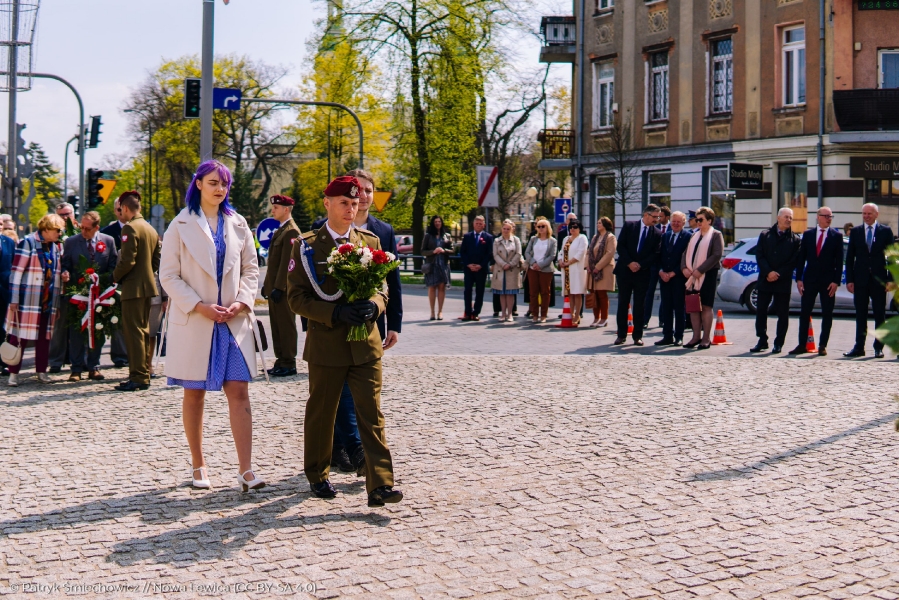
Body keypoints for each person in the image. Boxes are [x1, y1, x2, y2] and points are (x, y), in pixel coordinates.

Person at [286, 175, 402, 508]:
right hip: (327, 344)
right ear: (327, 203)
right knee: (322, 413)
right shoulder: (307, 246)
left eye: (354, 202)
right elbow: (296, 298)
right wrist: (334, 313)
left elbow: (383, 288)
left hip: (365, 344)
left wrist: (375, 306)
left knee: (372, 414)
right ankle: (318, 474)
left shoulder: (369, 241)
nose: (352, 208)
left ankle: (380, 484)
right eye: (344, 203)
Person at [160, 159, 264, 491]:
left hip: (232, 321)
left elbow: (251, 269)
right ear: (199, 184)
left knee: (239, 391)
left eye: (224, 183)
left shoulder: (239, 223)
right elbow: (168, 276)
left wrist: (242, 301)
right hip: (197, 319)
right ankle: (198, 464)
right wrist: (199, 306)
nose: (220, 189)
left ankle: (246, 470)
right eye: (213, 182)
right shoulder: (179, 224)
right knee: (194, 393)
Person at [6, 214, 68, 386]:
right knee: (19, 337)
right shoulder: (28, 243)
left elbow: (55, 273)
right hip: (27, 299)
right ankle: (13, 373)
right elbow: (16, 272)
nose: (60, 233)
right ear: (46, 229)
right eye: (57, 230)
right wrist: (14, 299)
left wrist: (62, 282)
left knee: (44, 338)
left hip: (47, 301)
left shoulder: (55, 247)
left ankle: (41, 371)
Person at [112, 191, 162, 391]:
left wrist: (114, 277)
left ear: (124, 208)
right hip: (147, 286)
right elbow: (157, 260)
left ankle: (138, 377)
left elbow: (127, 260)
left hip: (133, 288)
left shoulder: (130, 228)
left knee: (133, 333)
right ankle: (143, 374)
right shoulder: (150, 228)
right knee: (143, 332)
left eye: (120, 209)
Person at [61, 211, 118, 381]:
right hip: (78, 294)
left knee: (97, 329)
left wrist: (105, 282)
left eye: (87, 229)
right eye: (82, 227)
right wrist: (65, 273)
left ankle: (94, 367)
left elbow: (113, 265)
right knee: (77, 331)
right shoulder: (71, 242)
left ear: (96, 228)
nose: (83, 231)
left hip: (99, 294)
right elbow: (65, 264)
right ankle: (76, 369)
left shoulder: (108, 241)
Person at [789, 207, 843, 356]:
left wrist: (836, 281)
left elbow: (839, 261)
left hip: (828, 282)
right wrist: (799, 278)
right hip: (810, 280)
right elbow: (801, 258)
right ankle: (802, 344)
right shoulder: (808, 235)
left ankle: (822, 345)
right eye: (826, 216)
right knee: (805, 312)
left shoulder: (836, 236)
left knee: (827, 313)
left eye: (830, 216)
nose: (829, 219)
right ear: (818, 217)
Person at [844, 203, 895, 358]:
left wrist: (890, 279)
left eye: (869, 213)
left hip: (879, 280)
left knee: (880, 314)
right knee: (861, 314)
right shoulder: (856, 232)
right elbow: (850, 258)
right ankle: (859, 346)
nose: (866, 216)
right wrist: (850, 279)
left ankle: (878, 347)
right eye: (864, 213)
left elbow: (891, 256)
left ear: (876, 214)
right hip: (860, 280)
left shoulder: (885, 231)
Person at [750, 207, 802, 354]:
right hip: (765, 279)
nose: (788, 220)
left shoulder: (795, 239)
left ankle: (779, 343)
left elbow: (793, 261)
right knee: (761, 311)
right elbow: (759, 256)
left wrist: (778, 274)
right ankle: (762, 339)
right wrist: (768, 272)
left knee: (783, 314)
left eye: (790, 218)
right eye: (786, 217)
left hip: (782, 281)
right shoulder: (765, 235)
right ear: (778, 218)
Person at [261, 194, 301, 377]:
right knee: (277, 326)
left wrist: (280, 287)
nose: (272, 211)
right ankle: (281, 360)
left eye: (276, 208)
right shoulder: (282, 230)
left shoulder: (291, 231)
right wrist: (268, 285)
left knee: (286, 326)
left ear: (286, 209)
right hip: (275, 288)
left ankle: (289, 362)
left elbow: (288, 263)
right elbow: (274, 264)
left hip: (283, 290)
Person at [613, 205, 663, 345]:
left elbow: (655, 254)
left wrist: (640, 265)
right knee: (623, 302)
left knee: (640, 305)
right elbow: (621, 246)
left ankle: (637, 336)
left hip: (642, 273)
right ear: (646, 215)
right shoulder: (630, 226)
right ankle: (621, 334)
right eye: (655, 217)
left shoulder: (657, 233)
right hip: (625, 271)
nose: (657, 220)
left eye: (658, 217)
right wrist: (630, 263)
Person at [681, 207, 725, 349]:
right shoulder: (694, 235)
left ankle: (706, 338)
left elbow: (716, 255)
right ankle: (695, 337)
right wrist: (684, 268)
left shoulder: (716, 235)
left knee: (706, 306)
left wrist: (700, 270)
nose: (698, 222)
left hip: (707, 275)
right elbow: (685, 253)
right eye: (697, 219)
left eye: (701, 219)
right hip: (692, 277)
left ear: (709, 221)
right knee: (693, 307)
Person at [101, 198, 129, 369]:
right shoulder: (108, 233)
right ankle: (120, 356)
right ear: (115, 211)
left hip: (135, 282)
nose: (122, 212)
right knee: (117, 320)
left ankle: (135, 356)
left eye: (124, 208)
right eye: (119, 209)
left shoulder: (142, 228)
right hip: (115, 282)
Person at [655, 211, 691, 345]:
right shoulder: (665, 236)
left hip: (678, 278)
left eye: (678, 222)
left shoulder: (688, 237)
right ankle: (667, 336)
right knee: (666, 307)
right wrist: (661, 272)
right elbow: (658, 255)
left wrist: (674, 273)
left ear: (683, 223)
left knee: (679, 307)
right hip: (664, 278)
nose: (675, 224)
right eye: (673, 221)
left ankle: (679, 336)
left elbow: (687, 258)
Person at [459, 215, 493, 321]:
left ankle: (476, 312)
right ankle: (468, 312)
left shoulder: (488, 237)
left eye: (480, 224)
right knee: (467, 290)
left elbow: (489, 253)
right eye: (477, 223)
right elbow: (462, 252)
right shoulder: (467, 236)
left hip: (481, 269)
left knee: (480, 291)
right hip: (469, 269)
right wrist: (468, 264)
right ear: (473, 224)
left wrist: (481, 265)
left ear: (484, 225)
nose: (478, 225)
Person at [524, 217, 557, 324]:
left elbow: (552, 255)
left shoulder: (552, 241)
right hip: (532, 269)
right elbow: (527, 252)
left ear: (548, 228)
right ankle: (535, 314)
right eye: (539, 226)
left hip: (545, 270)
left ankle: (543, 315)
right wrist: (533, 263)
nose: (541, 228)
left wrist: (540, 265)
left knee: (545, 292)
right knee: (533, 292)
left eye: (543, 226)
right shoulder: (533, 239)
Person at [643, 205, 671, 329]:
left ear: (667, 217)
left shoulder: (672, 228)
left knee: (665, 295)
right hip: (653, 266)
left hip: (666, 267)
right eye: (657, 216)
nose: (658, 219)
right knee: (649, 293)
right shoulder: (654, 228)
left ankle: (662, 320)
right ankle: (645, 320)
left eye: (661, 216)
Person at [421, 215, 453, 320]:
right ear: (433, 223)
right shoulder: (428, 236)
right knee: (431, 287)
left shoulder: (447, 235)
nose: (438, 223)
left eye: (439, 221)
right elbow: (423, 251)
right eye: (436, 222)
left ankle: (440, 311)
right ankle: (432, 312)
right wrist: (433, 251)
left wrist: (444, 250)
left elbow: (452, 250)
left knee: (441, 287)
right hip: (432, 265)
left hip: (443, 265)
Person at [586, 217, 616, 328]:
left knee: (601, 294)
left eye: (600, 223)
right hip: (592, 270)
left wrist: (598, 267)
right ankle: (596, 318)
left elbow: (609, 253)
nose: (598, 224)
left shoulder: (611, 237)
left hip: (604, 269)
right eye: (597, 223)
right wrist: (588, 265)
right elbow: (588, 252)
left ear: (605, 225)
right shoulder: (595, 237)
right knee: (593, 293)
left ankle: (604, 318)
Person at [557, 219, 588, 325]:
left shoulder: (582, 238)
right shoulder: (566, 239)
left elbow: (580, 253)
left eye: (575, 227)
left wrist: (569, 262)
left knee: (577, 292)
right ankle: (571, 314)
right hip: (566, 270)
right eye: (571, 227)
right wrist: (560, 261)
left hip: (576, 269)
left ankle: (577, 314)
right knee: (569, 292)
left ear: (580, 228)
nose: (572, 229)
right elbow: (561, 252)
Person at [492, 219, 523, 322]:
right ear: (501, 229)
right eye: (504, 228)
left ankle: (510, 314)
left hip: (512, 269)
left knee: (510, 293)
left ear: (511, 230)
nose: (505, 231)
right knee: (502, 293)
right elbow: (495, 254)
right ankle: (503, 314)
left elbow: (518, 253)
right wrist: (503, 264)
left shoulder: (516, 240)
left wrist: (510, 264)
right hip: (500, 269)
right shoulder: (497, 241)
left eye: (508, 229)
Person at [0, 223, 16, 375]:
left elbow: (13, 266)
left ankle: (3, 362)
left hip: (4, 291)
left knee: (4, 327)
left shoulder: (8, 242)